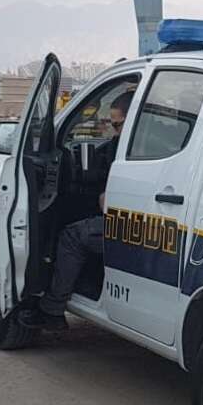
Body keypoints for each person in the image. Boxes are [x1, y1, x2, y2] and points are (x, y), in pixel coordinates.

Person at [17, 92, 130, 330]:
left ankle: (52, 309)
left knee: (72, 236)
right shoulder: (161, 141)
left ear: (132, 120)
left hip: (131, 226)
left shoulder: (129, 146)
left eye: (118, 125)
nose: (114, 131)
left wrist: (107, 198)